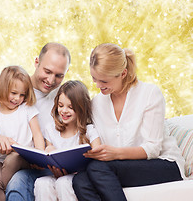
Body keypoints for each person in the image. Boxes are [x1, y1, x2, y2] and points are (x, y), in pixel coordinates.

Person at [72, 43, 186, 201]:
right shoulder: (97, 103)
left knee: (98, 169)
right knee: (80, 181)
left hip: (163, 164)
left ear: (123, 73)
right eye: (94, 79)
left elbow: (153, 148)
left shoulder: (149, 93)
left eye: (104, 81)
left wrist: (115, 153)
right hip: (117, 167)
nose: (98, 86)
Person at [0, 42, 71, 201]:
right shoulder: (7, 92)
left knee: (17, 181)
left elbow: (77, 136)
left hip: (36, 169)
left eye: (59, 75)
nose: (51, 80)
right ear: (37, 62)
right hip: (2, 164)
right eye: (47, 71)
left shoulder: (64, 99)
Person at [0, 65, 45, 201]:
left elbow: (37, 134)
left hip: (24, 158)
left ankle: (8, 189)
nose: (17, 98)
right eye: (13, 93)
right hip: (0, 159)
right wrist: (5, 143)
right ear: (2, 89)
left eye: (22, 94)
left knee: (13, 159)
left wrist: (40, 156)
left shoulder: (27, 108)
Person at [34, 80, 101, 201]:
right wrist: (49, 149)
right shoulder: (51, 129)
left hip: (80, 177)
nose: (64, 111)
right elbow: (49, 154)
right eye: (60, 105)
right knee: (42, 182)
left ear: (81, 108)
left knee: (64, 182)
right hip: (57, 175)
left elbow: (98, 156)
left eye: (70, 107)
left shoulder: (89, 131)